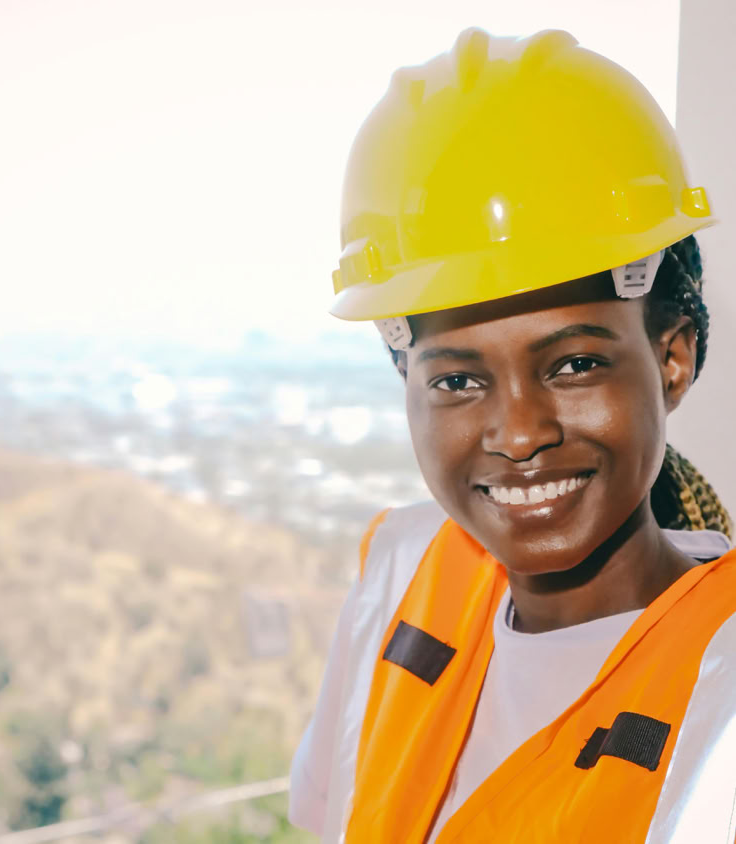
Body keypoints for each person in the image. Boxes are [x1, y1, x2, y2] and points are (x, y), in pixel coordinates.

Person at [288, 28, 735, 843]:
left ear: (670, 359)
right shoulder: (403, 574)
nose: (520, 433)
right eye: (457, 380)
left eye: (572, 365)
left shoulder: (723, 686)